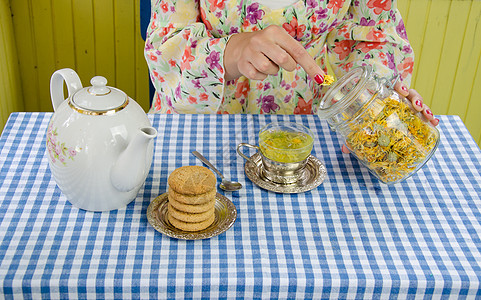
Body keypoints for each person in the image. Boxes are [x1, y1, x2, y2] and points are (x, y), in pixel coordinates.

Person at [144, 0, 438, 129]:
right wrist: (232, 52)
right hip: (200, 121)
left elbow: (373, 37)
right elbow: (165, 45)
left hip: (311, 125)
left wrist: (370, 101)